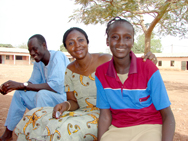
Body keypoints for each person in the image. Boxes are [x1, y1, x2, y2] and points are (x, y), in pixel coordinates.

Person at [14, 27, 157, 141]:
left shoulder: (105, 60)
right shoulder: (69, 70)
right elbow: (73, 101)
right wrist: (65, 105)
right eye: (71, 43)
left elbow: (129, 65)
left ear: (87, 42)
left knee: (65, 130)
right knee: (34, 116)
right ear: (67, 48)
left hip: (105, 115)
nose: (77, 46)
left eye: (80, 40)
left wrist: (147, 59)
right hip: (80, 112)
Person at [96, 17, 175, 141]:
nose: (121, 42)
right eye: (115, 37)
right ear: (107, 41)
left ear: (133, 42)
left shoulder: (148, 67)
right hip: (118, 129)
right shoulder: (101, 72)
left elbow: (167, 115)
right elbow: (105, 116)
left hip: (149, 127)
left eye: (127, 37)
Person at [0, 34, 70, 141]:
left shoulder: (57, 57)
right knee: (20, 93)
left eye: (35, 49)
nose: (32, 53)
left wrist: (21, 85)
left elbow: (56, 87)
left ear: (44, 45)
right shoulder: (39, 63)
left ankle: (42, 134)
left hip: (65, 101)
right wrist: (13, 86)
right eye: (30, 50)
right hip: (46, 101)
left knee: (42, 94)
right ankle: (8, 134)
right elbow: (31, 83)